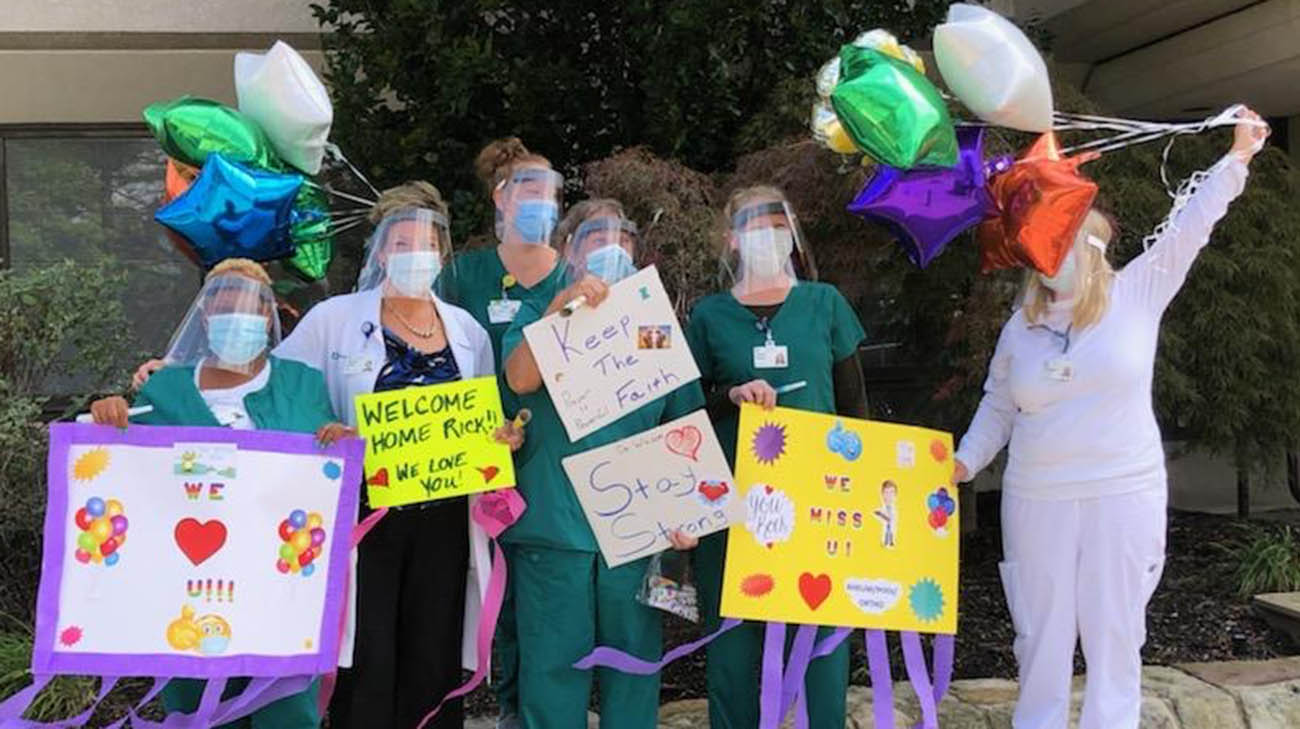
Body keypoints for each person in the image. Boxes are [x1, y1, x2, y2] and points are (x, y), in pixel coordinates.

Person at [952, 109, 1268, 729]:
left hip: (1122, 493)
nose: (1049, 257)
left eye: (1060, 241)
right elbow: (998, 405)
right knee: (1039, 637)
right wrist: (964, 461)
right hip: (1038, 497)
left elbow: (1190, 227)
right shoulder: (1022, 325)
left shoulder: (1137, 294)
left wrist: (1237, 160)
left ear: (1089, 248)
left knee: (1114, 634)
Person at [273, 181, 523, 729]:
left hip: (444, 520)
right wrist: (321, 425)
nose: (417, 256)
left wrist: (501, 438)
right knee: (366, 657)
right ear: (381, 250)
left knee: (432, 658)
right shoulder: (333, 321)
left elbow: (483, 419)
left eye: (428, 245)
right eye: (403, 244)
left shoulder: (467, 331)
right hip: (364, 521)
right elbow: (277, 390)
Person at [89, 258, 347, 729]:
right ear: (205, 317)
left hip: (279, 588)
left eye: (248, 307)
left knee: (285, 709)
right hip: (187, 593)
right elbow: (126, 476)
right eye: (224, 307)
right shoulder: (163, 388)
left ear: (268, 316)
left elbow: (328, 475)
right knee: (196, 708)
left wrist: (339, 443)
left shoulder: (303, 384)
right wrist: (109, 417)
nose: (236, 318)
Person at [500, 199, 704, 729]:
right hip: (556, 529)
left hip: (638, 528)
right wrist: (561, 308)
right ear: (568, 250)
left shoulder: (654, 325)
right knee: (551, 672)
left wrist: (688, 512)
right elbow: (520, 378)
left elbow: (683, 425)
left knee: (635, 668)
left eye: (622, 239)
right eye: (595, 237)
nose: (611, 249)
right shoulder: (537, 309)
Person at [682, 185, 868, 729]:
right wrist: (732, 395)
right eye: (753, 227)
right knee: (734, 645)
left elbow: (854, 405)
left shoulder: (825, 302)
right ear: (731, 239)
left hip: (817, 501)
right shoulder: (709, 315)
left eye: (776, 225)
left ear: (791, 232)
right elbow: (689, 411)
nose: (766, 237)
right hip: (733, 504)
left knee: (820, 647)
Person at [434, 138, 567, 729]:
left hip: (554, 469)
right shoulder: (464, 274)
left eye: (549, 193)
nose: (540, 202)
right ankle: (508, 702)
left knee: (540, 603)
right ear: (501, 198)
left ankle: (534, 711)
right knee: (492, 596)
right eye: (528, 190)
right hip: (476, 464)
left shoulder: (574, 275)